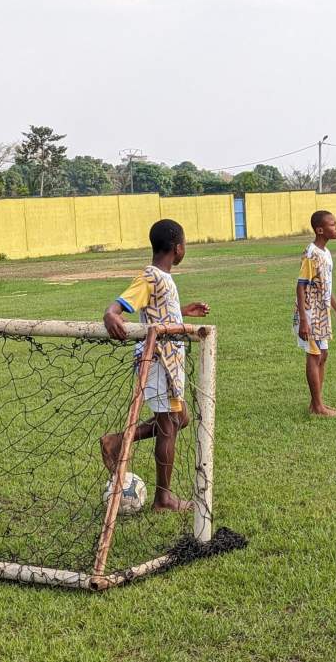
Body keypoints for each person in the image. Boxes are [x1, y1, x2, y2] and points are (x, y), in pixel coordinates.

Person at [100, 219, 211, 512]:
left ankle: (117, 440)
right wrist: (111, 313)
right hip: (158, 362)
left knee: (180, 419)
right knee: (168, 426)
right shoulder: (151, 276)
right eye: (184, 244)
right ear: (177, 248)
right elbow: (126, 302)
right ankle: (164, 498)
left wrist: (183, 312)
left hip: (169, 364)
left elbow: (157, 313)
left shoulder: (163, 277)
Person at [295, 210, 336, 416]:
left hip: (322, 312)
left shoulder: (326, 253)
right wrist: (303, 320)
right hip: (310, 313)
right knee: (314, 354)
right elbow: (300, 286)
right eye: (333, 225)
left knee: (323, 355)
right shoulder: (311, 253)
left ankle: (316, 403)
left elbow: (326, 287)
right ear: (320, 229)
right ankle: (318, 407)